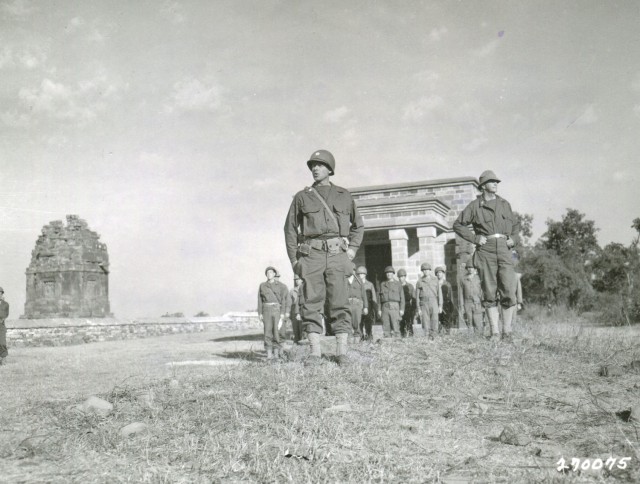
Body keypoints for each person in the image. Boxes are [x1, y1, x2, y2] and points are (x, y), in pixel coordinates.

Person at [284, 149, 364, 365]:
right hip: (312, 256)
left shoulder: (344, 195)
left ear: (330, 169)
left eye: (319, 165)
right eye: (312, 166)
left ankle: (342, 352)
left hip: (338, 255)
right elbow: (290, 229)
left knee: (340, 301)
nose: (315, 169)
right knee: (311, 302)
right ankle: (314, 353)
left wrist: (352, 250)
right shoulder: (302, 197)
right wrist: (294, 260)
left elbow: (358, 226)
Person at [453, 170, 520, 342]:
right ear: (483, 186)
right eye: (492, 182)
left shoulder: (505, 204)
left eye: (497, 182)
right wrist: (475, 238)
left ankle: (508, 332)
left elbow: (515, 225)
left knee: (509, 290)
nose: (496, 184)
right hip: (486, 250)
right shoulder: (475, 206)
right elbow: (458, 225)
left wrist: (513, 238)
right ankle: (495, 333)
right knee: (489, 292)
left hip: (505, 249)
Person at [257, 266, 290, 359]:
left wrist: (283, 313)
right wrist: (260, 313)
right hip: (266, 310)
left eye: (271, 272)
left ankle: (276, 355)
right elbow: (260, 300)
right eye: (267, 273)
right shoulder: (262, 285)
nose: (269, 274)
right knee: (267, 332)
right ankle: (269, 356)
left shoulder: (281, 286)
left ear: (274, 274)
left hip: (277, 310)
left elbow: (284, 300)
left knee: (276, 332)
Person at [415, 263, 442, 339]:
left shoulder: (435, 280)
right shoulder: (419, 282)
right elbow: (417, 297)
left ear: (430, 271)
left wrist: (440, 305)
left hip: (434, 302)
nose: (426, 271)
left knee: (435, 320)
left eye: (427, 270)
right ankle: (427, 339)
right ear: (422, 271)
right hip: (424, 303)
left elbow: (439, 293)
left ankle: (434, 337)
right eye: (424, 270)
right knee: (425, 322)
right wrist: (418, 308)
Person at [377, 266, 405, 338]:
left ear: (393, 274)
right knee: (386, 327)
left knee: (396, 327)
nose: (388, 274)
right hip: (385, 307)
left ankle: (397, 345)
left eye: (390, 273)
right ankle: (387, 345)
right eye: (387, 273)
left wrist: (402, 309)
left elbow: (402, 298)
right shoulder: (382, 284)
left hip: (395, 307)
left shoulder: (398, 284)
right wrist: (379, 309)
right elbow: (379, 298)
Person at [346, 263, 368, 344]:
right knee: (347, 323)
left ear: (355, 270)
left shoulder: (359, 280)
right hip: (347, 304)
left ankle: (357, 343)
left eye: (353, 269)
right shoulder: (344, 280)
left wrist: (365, 307)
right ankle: (349, 343)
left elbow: (364, 294)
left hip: (357, 304)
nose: (351, 271)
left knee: (357, 323)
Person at [461, 262, 484, 333]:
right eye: (468, 268)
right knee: (469, 320)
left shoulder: (478, 278)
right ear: (467, 269)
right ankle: (471, 338)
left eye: (472, 268)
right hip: (467, 302)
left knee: (477, 321)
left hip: (477, 302)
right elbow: (461, 293)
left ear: (475, 269)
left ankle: (479, 336)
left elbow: (482, 290)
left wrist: (482, 302)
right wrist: (462, 305)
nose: (470, 269)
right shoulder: (463, 279)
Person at [357, 265, 377, 341]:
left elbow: (374, 297)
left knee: (368, 323)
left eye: (362, 274)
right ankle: (361, 337)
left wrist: (375, 309)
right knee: (360, 323)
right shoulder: (356, 284)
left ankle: (369, 337)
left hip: (368, 306)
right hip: (359, 306)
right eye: (358, 274)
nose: (360, 275)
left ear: (365, 274)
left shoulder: (370, 284)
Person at [435, 266, 454, 334]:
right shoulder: (434, 284)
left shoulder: (447, 284)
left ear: (443, 273)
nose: (438, 274)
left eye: (440, 272)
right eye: (437, 273)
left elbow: (450, 296)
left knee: (446, 321)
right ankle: (438, 334)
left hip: (446, 305)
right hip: (437, 304)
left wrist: (451, 307)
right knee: (438, 321)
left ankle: (447, 334)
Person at [397, 268, 415, 337]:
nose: (401, 278)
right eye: (399, 277)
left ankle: (410, 336)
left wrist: (413, 309)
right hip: (399, 306)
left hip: (407, 307)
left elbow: (413, 298)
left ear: (405, 277)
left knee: (409, 323)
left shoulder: (410, 286)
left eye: (402, 277)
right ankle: (402, 336)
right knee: (401, 323)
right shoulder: (397, 286)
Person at [289, 275, 306, 344]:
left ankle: (303, 346)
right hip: (294, 312)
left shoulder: (305, 289)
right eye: (295, 279)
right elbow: (289, 302)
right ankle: (296, 347)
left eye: (298, 279)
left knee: (303, 330)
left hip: (303, 311)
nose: (296, 281)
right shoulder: (292, 290)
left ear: (302, 280)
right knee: (295, 330)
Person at [0, 287, 9, 365]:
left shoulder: (6, 304)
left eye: (0, 293)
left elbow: (6, 314)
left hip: (1, 326)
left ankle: (3, 358)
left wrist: (2, 319)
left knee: (2, 343)